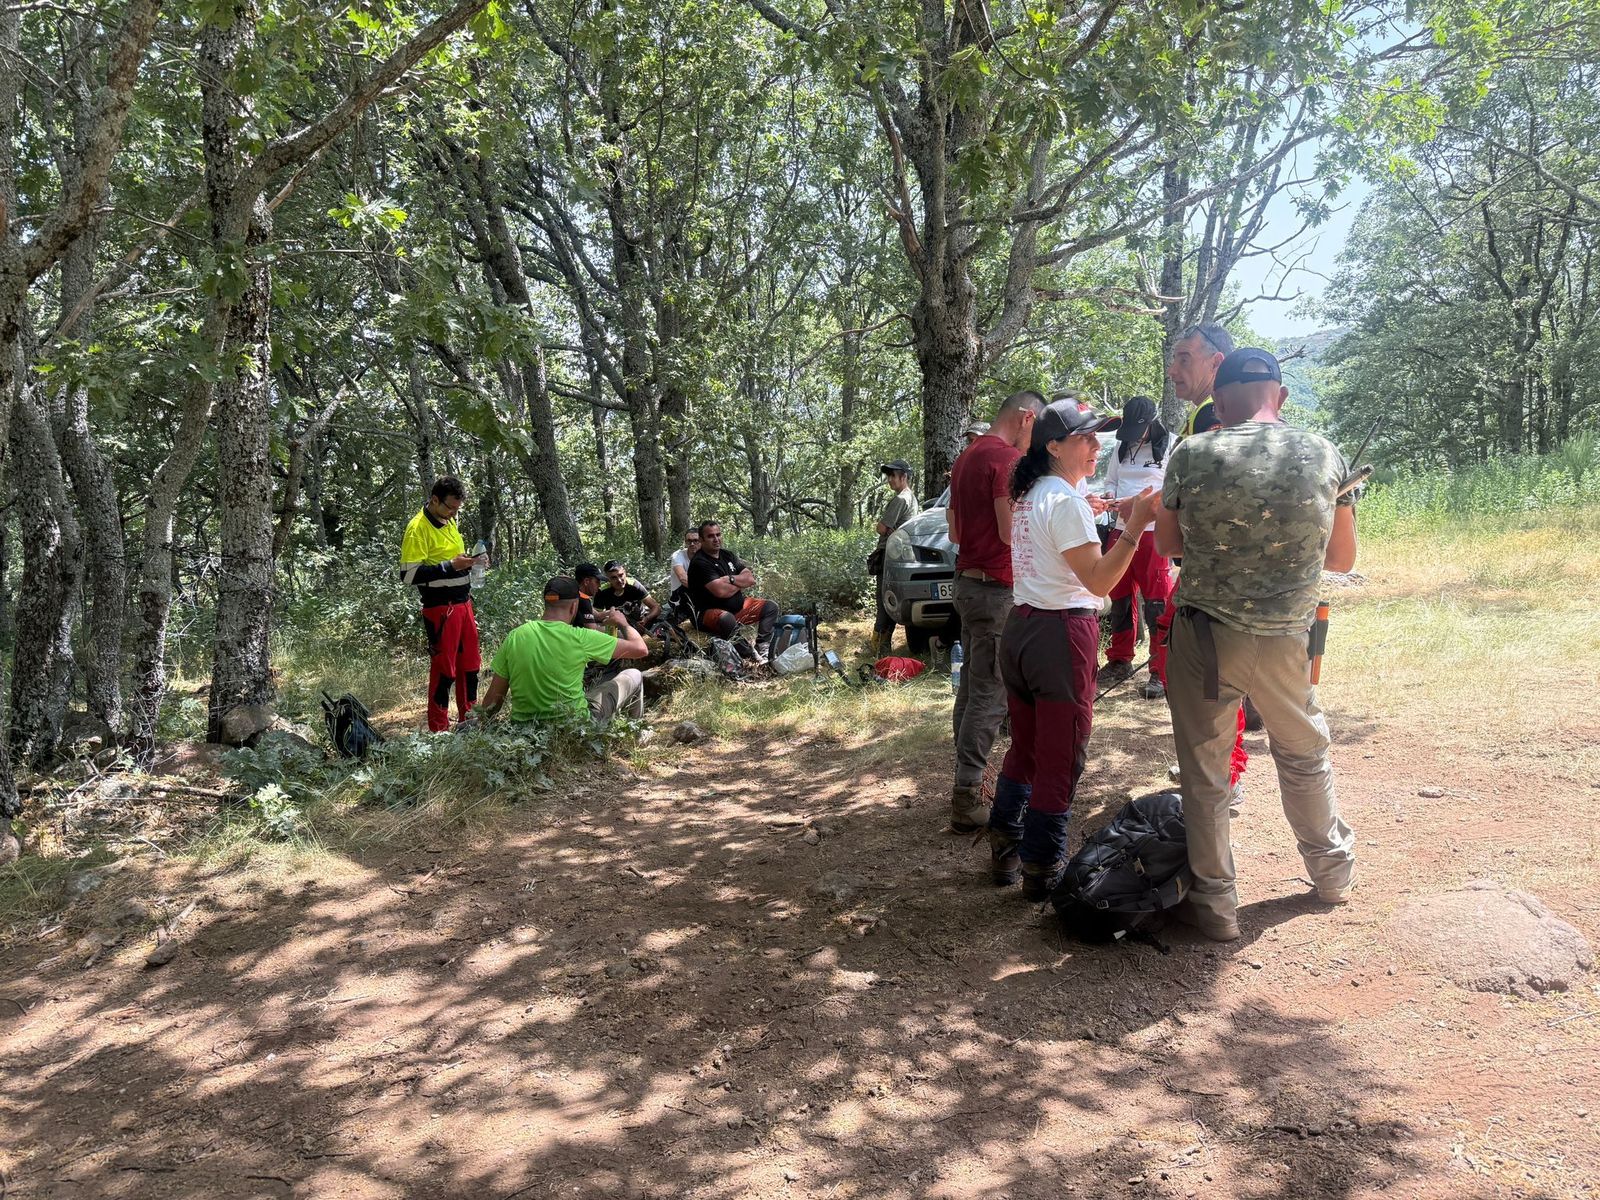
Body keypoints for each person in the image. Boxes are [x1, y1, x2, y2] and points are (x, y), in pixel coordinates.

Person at [1155, 348, 1359, 941]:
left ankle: (1216, 910)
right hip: (1288, 640)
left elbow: (1169, 547)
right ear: (1283, 396)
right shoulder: (1324, 453)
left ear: (1218, 401)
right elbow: (1342, 559)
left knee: (1205, 773)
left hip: (1206, 638)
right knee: (1303, 754)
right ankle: (1331, 876)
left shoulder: (1192, 453)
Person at [987, 399, 1159, 897]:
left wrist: (1092, 509)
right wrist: (1134, 526)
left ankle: (1005, 846)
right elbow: (1101, 581)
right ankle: (1042, 867)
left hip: (1022, 628)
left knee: (1028, 746)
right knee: (1060, 756)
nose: (1097, 444)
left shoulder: (1036, 493)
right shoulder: (1062, 502)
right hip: (1060, 636)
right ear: (1054, 445)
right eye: (1086, 437)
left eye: (1097, 436)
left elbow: (1053, 540)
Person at [945, 389, 1046, 833]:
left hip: (968, 582)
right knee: (989, 693)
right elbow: (1010, 534)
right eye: (1037, 429)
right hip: (994, 589)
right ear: (1026, 418)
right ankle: (967, 796)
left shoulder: (968, 455)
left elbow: (953, 527)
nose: (1036, 441)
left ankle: (971, 782)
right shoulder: (1003, 458)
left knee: (971, 686)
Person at [476, 577, 649, 725]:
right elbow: (640, 649)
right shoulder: (581, 637)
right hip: (575, 726)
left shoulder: (515, 636)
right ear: (574, 607)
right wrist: (623, 623)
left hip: (524, 730)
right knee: (633, 674)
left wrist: (483, 727)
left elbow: (493, 699)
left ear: (545, 603)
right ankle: (636, 732)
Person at [1097, 396, 1176, 701]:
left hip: (1154, 533)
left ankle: (1159, 669)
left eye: (1138, 431)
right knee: (1119, 596)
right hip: (1120, 528)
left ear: (1151, 424)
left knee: (1156, 602)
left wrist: (1141, 504)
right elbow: (1111, 480)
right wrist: (1110, 496)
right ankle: (1119, 658)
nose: (1134, 436)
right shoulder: (1121, 447)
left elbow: (1173, 489)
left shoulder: (1170, 445)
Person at [398, 476, 485, 733]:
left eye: (457, 509)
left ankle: (468, 719)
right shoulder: (418, 528)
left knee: (470, 665)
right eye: (450, 507)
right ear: (434, 500)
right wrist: (450, 566)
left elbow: (454, 559)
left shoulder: (449, 521)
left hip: (463, 604)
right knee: (444, 670)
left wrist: (473, 562)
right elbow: (408, 575)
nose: (453, 513)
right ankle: (438, 728)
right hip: (440, 609)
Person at [688, 521, 779, 660]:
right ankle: (749, 653)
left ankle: (763, 646)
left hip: (737, 609)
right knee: (726, 618)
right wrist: (740, 582)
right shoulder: (700, 562)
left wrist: (729, 579)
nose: (716, 539)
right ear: (701, 540)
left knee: (770, 607)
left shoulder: (727, 555)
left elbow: (750, 579)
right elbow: (720, 592)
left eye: (718, 534)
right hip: (708, 614)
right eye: (711, 536)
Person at [871, 459, 920, 652]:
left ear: (904, 477)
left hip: (889, 555)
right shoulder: (912, 498)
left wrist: (887, 531)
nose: (890, 480)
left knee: (883, 600)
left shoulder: (901, 499)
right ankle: (881, 644)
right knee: (890, 598)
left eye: (893, 476)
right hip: (902, 557)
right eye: (888, 476)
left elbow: (881, 527)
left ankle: (879, 646)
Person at [1165, 322, 1235, 438]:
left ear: (1216, 363)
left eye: (1184, 360)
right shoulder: (1215, 409)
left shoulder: (1212, 414)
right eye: (1175, 360)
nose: (1172, 371)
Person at [596, 560, 661, 630]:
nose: (619, 580)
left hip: (640, 624)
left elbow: (656, 607)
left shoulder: (635, 585)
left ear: (625, 572)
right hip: (618, 628)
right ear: (607, 578)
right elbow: (597, 617)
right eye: (613, 578)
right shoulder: (602, 591)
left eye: (621, 575)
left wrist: (646, 619)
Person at [668, 529, 701, 621]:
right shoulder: (678, 555)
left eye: (695, 540)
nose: (692, 544)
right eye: (689, 541)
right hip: (680, 593)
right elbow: (683, 579)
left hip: (697, 591)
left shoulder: (704, 556)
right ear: (685, 542)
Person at [570, 563, 605, 629]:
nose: (599, 585)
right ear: (586, 581)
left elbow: (598, 615)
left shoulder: (573, 594)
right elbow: (592, 630)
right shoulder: (583, 599)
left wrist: (617, 611)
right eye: (597, 582)